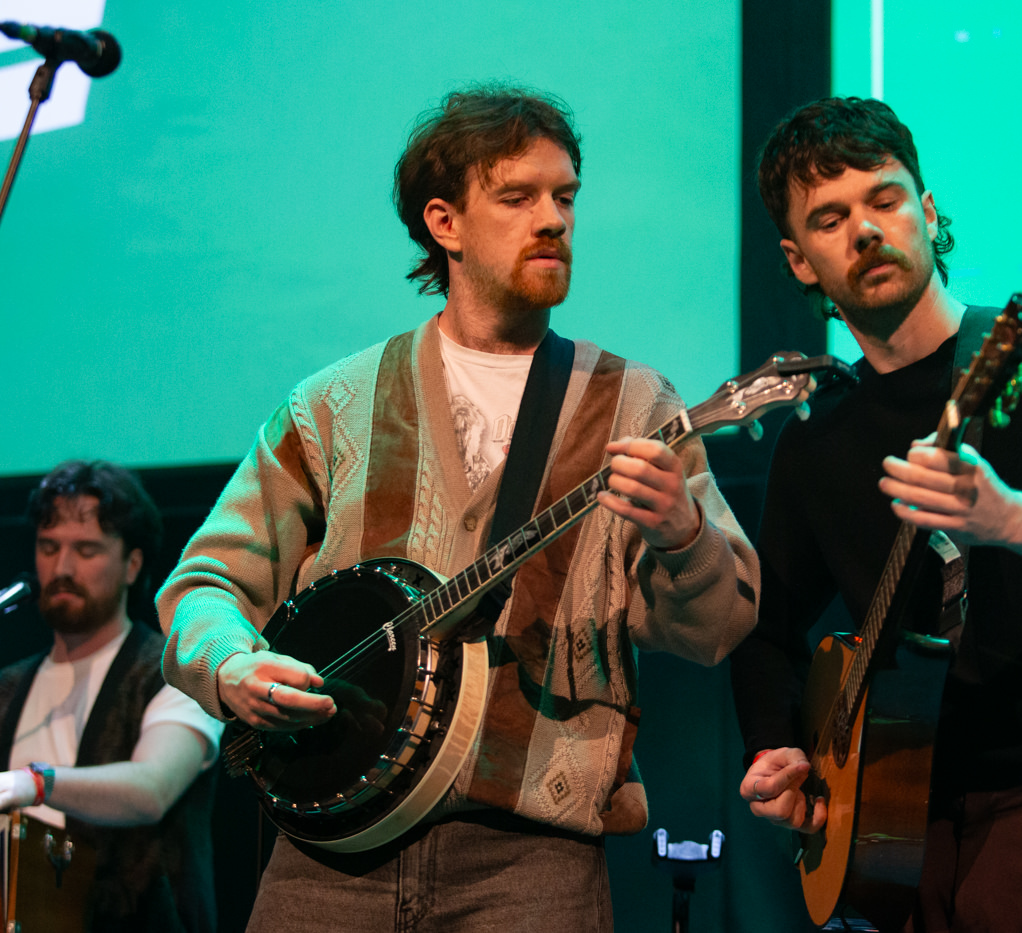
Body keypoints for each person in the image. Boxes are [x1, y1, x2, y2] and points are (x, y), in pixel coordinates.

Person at [157, 85, 759, 932]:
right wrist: (230, 665)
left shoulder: (637, 404)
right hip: (328, 852)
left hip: (531, 863)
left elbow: (715, 629)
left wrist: (683, 534)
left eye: (565, 196)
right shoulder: (334, 403)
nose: (553, 218)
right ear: (445, 224)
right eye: (518, 197)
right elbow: (206, 582)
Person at [728, 97, 1022, 933]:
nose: (866, 230)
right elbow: (763, 630)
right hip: (908, 844)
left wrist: (1011, 516)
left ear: (927, 211)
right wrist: (780, 749)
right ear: (799, 260)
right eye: (831, 218)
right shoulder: (818, 442)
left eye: (883, 200)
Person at [0, 460, 222, 933]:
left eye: (86, 550)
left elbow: (151, 789)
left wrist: (34, 784)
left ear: (132, 565)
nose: (61, 568)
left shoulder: (175, 672)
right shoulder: (8, 687)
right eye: (48, 547)